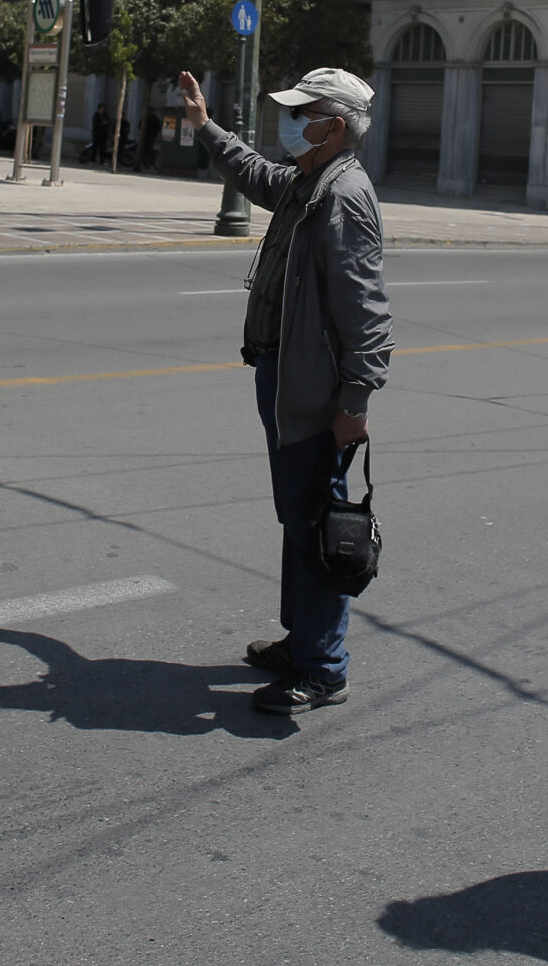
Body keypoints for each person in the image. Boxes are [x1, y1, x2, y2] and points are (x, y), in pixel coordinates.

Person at [177, 65, 392, 715]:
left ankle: (324, 668)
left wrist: (355, 399)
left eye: (306, 111)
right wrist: (205, 126)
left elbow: (367, 310)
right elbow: (253, 173)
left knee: (317, 522)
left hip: (314, 392)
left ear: (335, 125)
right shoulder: (309, 180)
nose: (293, 120)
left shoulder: (343, 194)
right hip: (285, 379)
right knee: (299, 518)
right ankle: (304, 641)